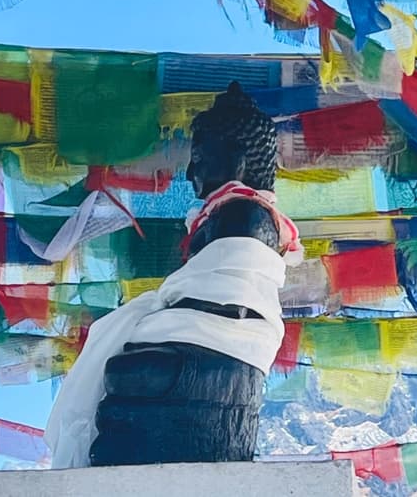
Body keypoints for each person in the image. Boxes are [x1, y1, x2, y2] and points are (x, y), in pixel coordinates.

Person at [44, 82, 301, 469]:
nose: (190, 173)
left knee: (124, 369)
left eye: (199, 159)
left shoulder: (245, 214)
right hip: (203, 338)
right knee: (121, 365)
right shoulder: (220, 214)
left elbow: (229, 300)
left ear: (238, 161)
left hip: (226, 342)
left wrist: (159, 314)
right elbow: (203, 291)